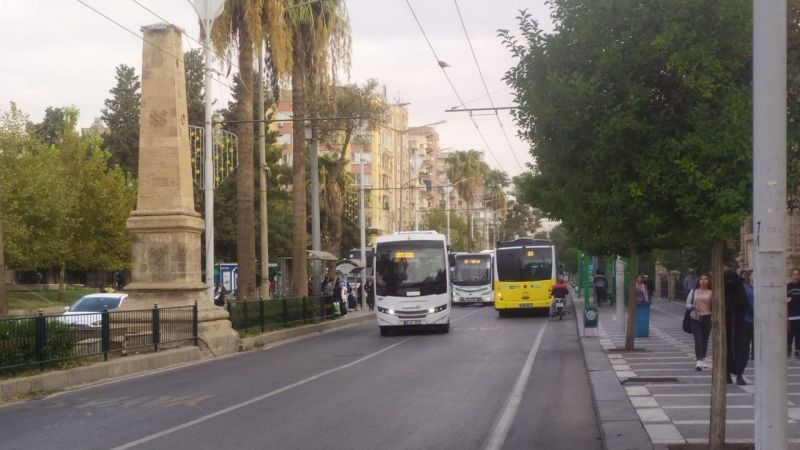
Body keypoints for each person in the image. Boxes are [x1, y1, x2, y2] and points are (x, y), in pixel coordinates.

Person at [725, 268, 750, 385]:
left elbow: (745, 306)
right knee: (726, 349)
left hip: (740, 324)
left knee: (742, 349)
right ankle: (727, 373)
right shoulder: (724, 291)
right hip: (725, 325)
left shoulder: (741, 291)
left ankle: (739, 373)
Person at [686, 274, 712, 371]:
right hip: (696, 318)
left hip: (707, 318)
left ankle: (703, 359)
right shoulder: (694, 291)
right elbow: (687, 303)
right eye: (701, 279)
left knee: (705, 340)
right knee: (698, 340)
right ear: (698, 281)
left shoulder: (711, 292)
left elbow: (714, 305)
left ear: (708, 281)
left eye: (706, 279)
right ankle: (699, 361)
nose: (703, 280)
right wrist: (692, 307)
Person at [740, 269, 755, 361]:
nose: (747, 277)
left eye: (748, 275)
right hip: (746, 317)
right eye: (745, 275)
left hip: (757, 317)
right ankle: (745, 354)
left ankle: (754, 355)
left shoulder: (754, 287)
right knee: (746, 339)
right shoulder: (742, 287)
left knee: (755, 339)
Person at [788, 269, 800, 358]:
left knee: (799, 337)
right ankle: (788, 352)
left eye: (797, 274)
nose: (795, 276)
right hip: (790, 317)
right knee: (789, 336)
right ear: (791, 276)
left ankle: (798, 353)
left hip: (799, 316)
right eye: (794, 274)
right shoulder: (787, 287)